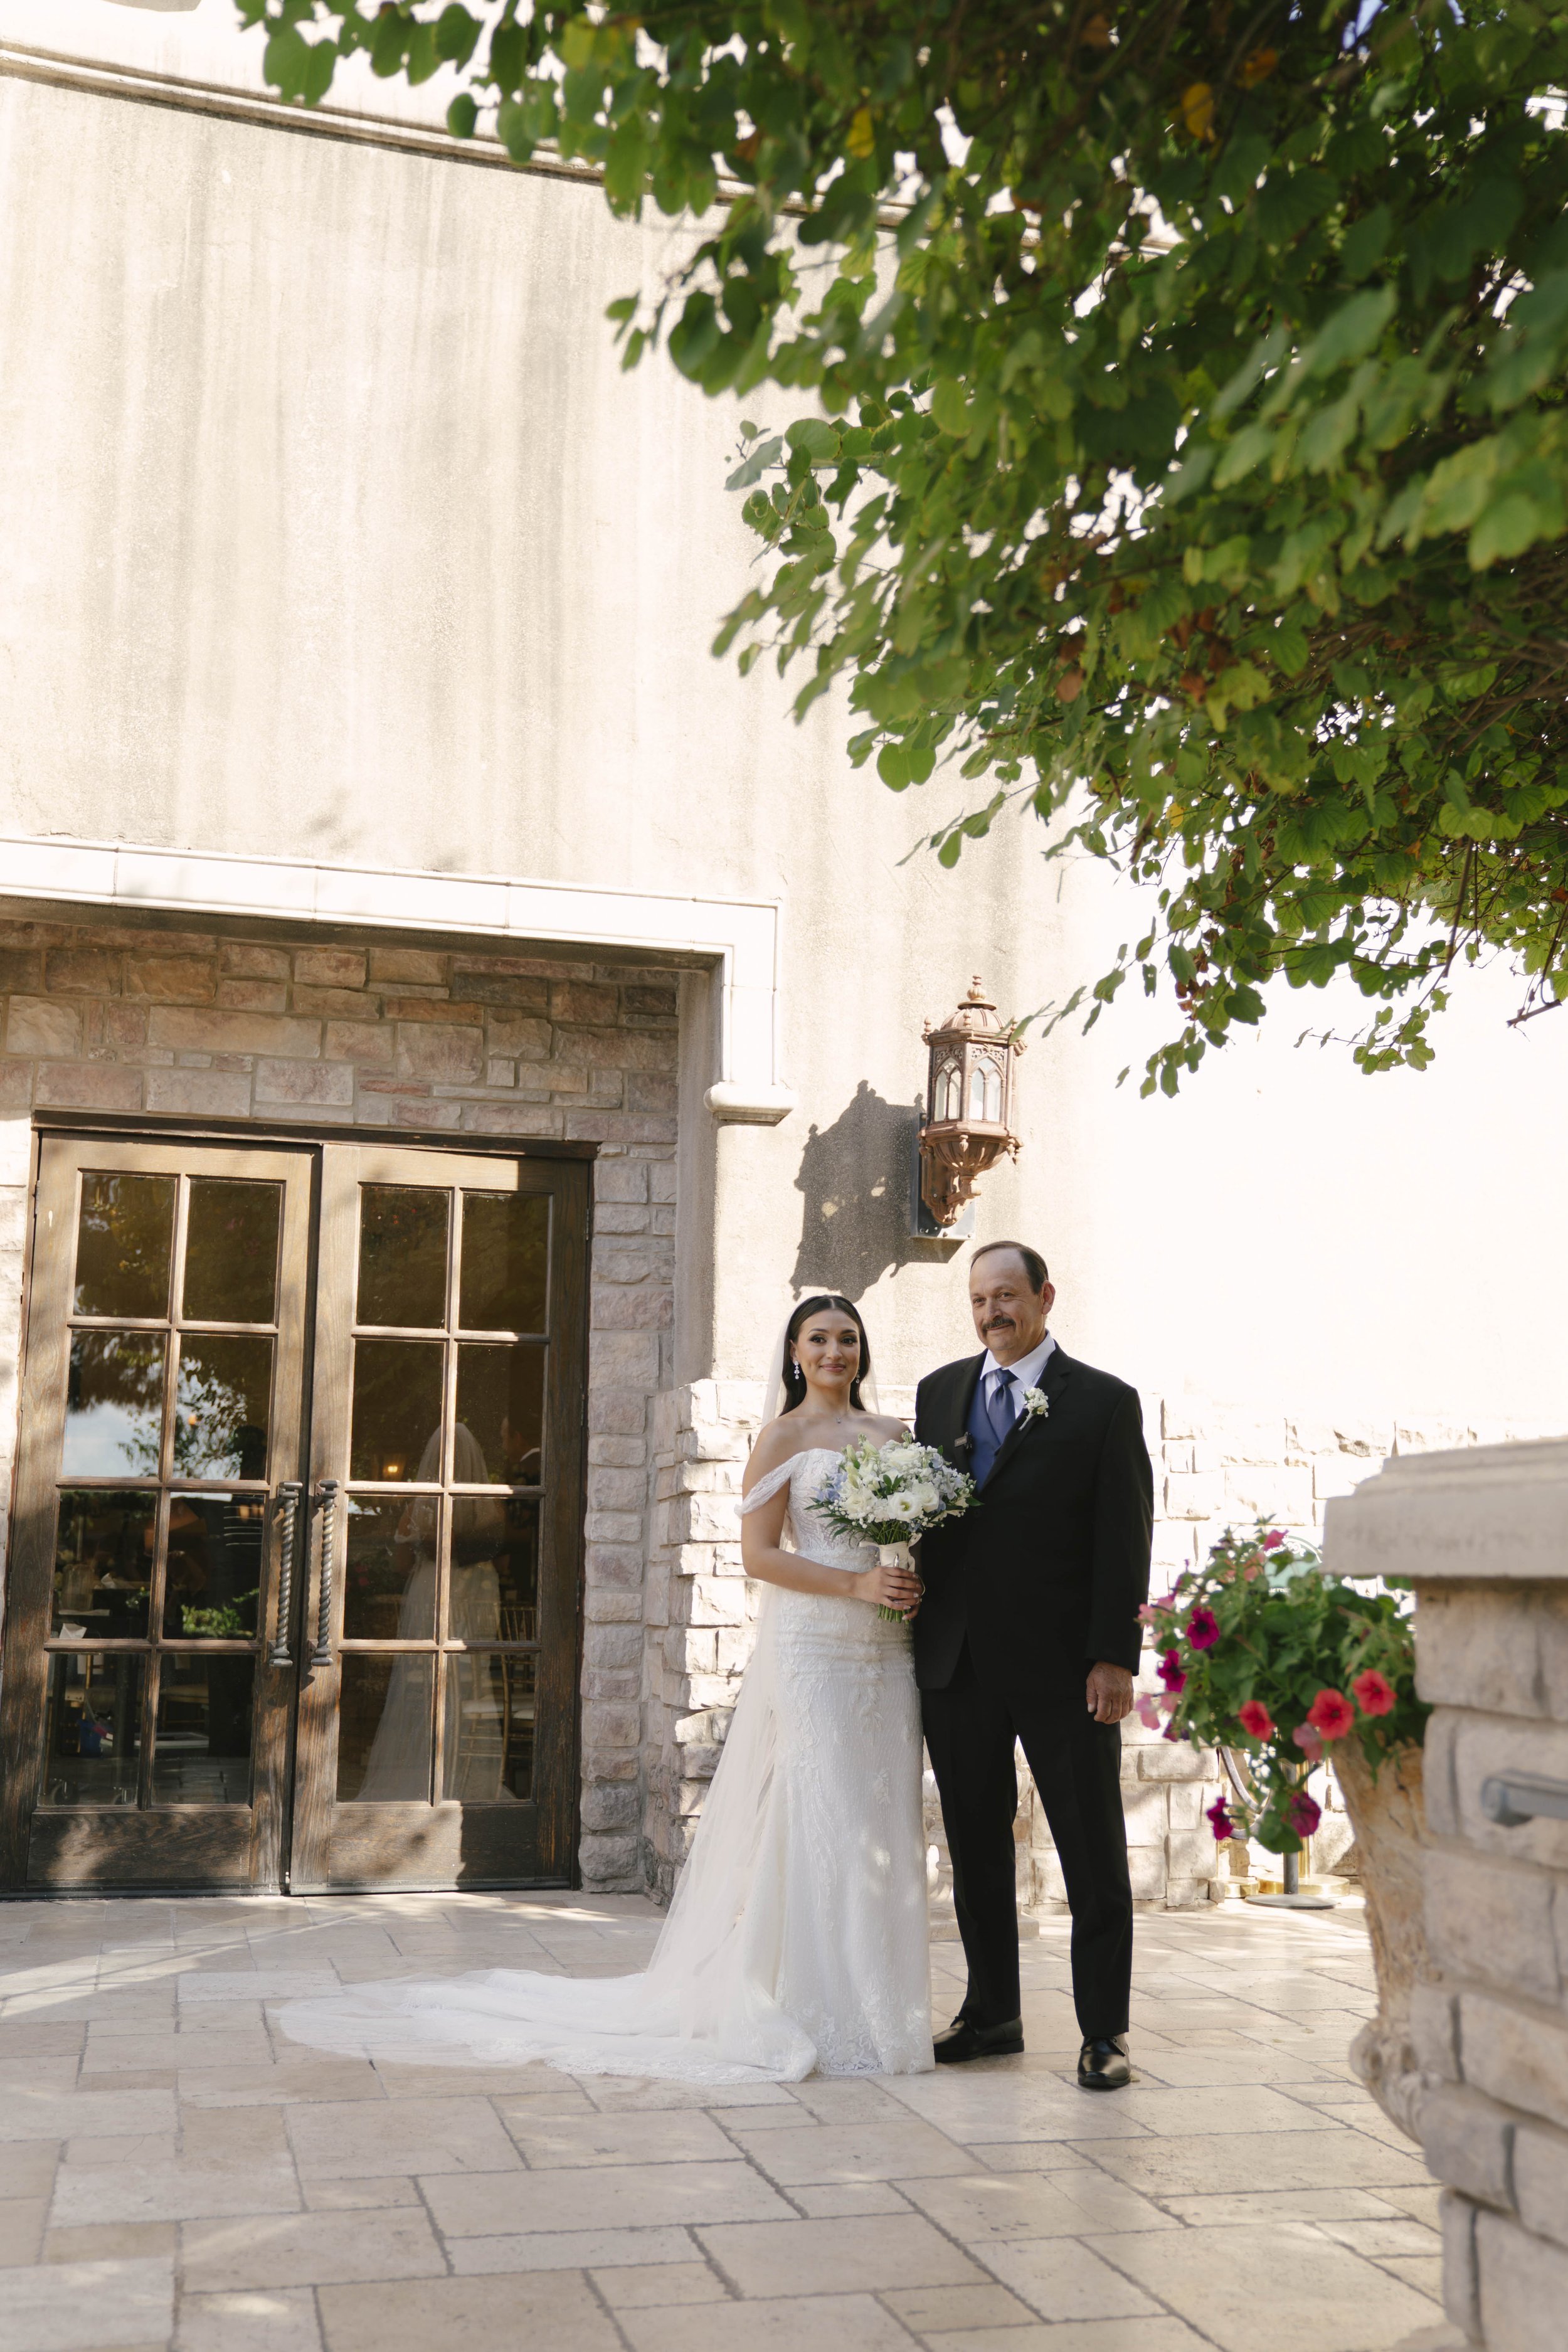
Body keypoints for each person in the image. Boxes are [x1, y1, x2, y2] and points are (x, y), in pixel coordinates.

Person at [276, 1290, 933, 2083]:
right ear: (793, 1351)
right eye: (819, 1338)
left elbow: (916, 1538)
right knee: (821, 1813)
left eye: (849, 1339)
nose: (835, 1352)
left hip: (885, 1653)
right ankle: (820, 2008)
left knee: (882, 1815)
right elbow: (759, 1558)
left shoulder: (896, 1436)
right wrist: (854, 1586)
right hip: (818, 1650)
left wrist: (899, 1581)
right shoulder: (780, 1439)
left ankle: (885, 2010)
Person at [914, 1241, 1152, 2090]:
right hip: (958, 1662)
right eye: (979, 1299)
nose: (992, 1313)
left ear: (1046, 1296)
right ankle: (992, 2013)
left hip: (1064, 1668)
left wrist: (1113, 1657)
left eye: (1007, 1295)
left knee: (1091, 1851)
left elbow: (1122, 1538)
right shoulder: (938, 1392)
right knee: (976, 1848)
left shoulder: (1103, 1402)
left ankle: (1104, 2032)